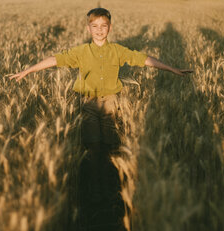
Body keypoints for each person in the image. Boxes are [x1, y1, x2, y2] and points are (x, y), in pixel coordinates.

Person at [10, 7, 192, 201]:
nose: (99, 30)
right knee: (92, 145)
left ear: (110, 28)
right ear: (88, 29)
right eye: (94, 26)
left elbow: (143, 59)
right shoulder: (81, 52)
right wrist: (28, 71)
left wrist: (172, 69)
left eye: (103, 26)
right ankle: (95, 185)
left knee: (111, 143)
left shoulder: (118, 51)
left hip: (111, 103)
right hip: (87, 102)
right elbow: (55, 60)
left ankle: (110, 183)